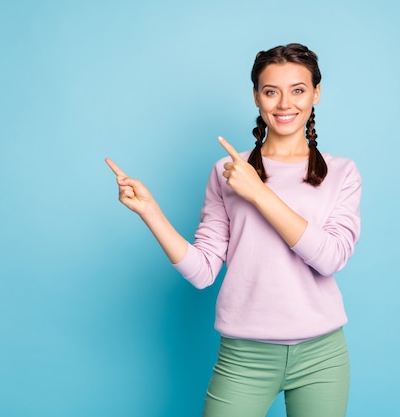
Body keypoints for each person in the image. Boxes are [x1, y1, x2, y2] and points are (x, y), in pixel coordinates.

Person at [105, 43, 361, 417]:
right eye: (271, 91)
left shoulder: (341, 172)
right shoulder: (226, 173)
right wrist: (150, 212)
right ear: (257, 96)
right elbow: (203, 272)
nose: (284, 104)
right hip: (244, 355)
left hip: (322, 355)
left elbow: (330, 258)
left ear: (316, 94)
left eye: (298, 90)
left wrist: (258, 192)